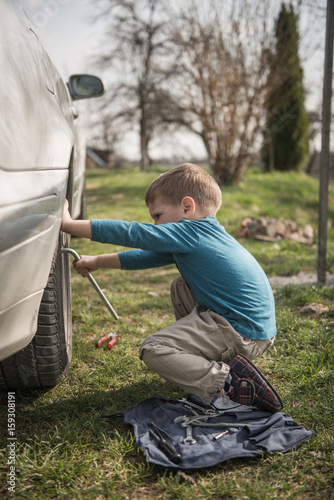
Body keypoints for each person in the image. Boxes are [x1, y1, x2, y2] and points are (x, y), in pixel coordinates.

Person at [61, 163, 282, 413]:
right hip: (252, 329)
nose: (156, 225)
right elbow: (144, 256)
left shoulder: (189, 233)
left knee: (154, 349)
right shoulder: (205, 234)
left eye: (158, 216)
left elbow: (134, 233)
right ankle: (203, 363)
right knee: (180, 286)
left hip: (242, 334)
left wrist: (69, 225)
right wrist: (97, 261)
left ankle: (228, 384)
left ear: (187, 207)